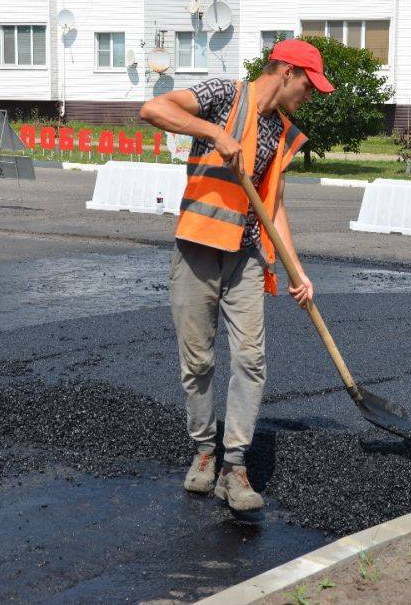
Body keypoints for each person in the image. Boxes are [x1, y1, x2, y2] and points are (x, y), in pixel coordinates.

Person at [138, 40, 334, 511]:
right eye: (309, 85)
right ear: (287, 71)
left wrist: (297, 271)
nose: (310, 95)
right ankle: (204, 451)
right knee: (198, 362)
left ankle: (234, 465)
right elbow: (152, 108)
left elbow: (274, 206)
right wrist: (214, 133)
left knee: (250, 358)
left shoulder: (283, 132)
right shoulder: (225, 95)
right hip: (197, 250)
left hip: (245, 256)